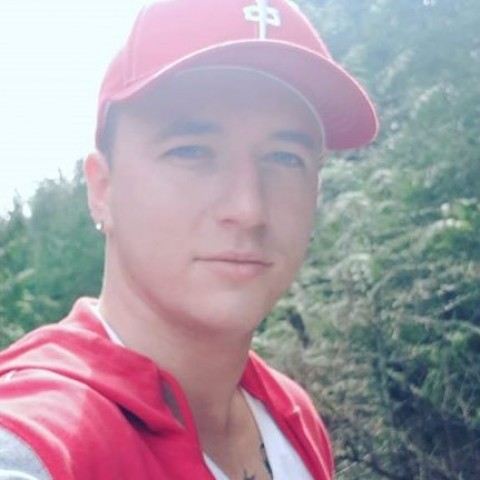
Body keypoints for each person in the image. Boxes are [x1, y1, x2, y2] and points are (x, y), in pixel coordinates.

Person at [0, 0, 377, 479]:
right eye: (191, 151)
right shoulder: (39, 445)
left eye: (285, 158)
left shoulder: (291, 416)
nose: (249, 209)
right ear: (102, 190)